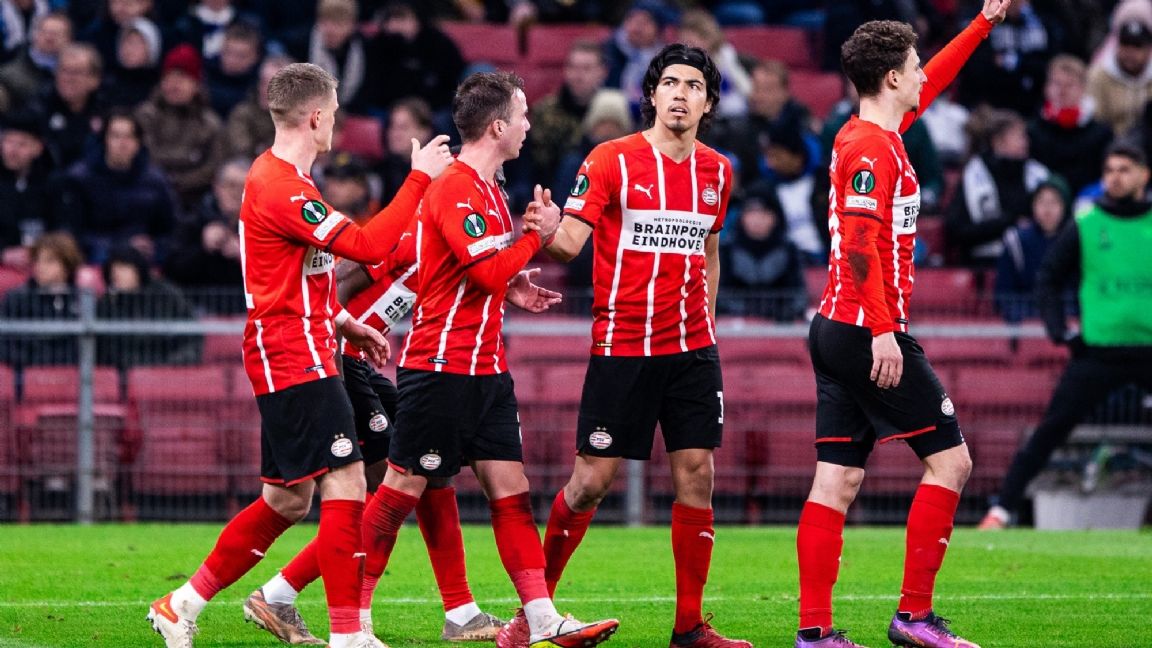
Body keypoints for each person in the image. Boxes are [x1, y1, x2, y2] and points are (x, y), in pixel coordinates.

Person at [145, 62, 455, 648]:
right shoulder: (281, 186)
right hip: (291, 351)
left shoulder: (290, 181)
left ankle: (179, 604)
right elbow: (367, 246)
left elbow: (295, 276)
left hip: (307, 342)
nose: (335, 123)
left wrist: (342, 320)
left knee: (288, 499)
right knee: (346, 483)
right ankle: (349, 635)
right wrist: (419, 179)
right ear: (315, 117)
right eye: (333, 114)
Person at [354, 70, 620, 648]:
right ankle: (353, 621)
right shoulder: (454, 186)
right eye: (522, 115)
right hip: (440, 367)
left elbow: (480, 276)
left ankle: (541, 618)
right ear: (498, 126)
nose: (528, 125)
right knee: (399, 492)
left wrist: (515, 286)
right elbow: (485, 271)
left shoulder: (492, 191)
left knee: (511, 490)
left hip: (487, 371)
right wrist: (536, 237)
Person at [517, 43, 750, 648]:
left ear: (708, 102)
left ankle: (689, 627)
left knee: (698, 476)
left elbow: (709, 250)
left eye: (693, 86)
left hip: (692, 351)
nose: (680, 94)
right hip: (623, 345)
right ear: (651, 95)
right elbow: (570, 244)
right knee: (590, 483)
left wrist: (708, 322)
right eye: (670, 83)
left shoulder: (718, 171)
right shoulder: (611, 159)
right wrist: (545, 231)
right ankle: (533, 615)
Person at [245, 211, 562, 646]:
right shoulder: (414, 234)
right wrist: (334, 379)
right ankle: (282, 592)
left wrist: (505, 287)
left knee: (432, 474)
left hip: (364, 365)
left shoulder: (453, 239)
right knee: (393, 489)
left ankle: (460, 610)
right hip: (339, 362)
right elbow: (335, 283)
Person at [796, 2, 1010, 647]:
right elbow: (861, 245)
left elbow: (935, 80)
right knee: (952, 462)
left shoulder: (870, 133)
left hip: (836, 325)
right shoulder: (872, 147)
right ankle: (914, 618)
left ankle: (815, 632)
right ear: (891, 77)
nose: (922, 75)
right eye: (913, 66)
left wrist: (981, 24)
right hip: (866, 329)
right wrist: (886, 329)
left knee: (837, 479)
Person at [979, 143, 1152, 530]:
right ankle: (1000, 511)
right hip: (1099, 351)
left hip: (1148, 350)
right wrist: (1059, 330)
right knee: (1051, 429)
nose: (1115, 177)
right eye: (1110, 170)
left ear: (1144, 175)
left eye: (1125, 169)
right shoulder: (1087, 223)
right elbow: (1048, 278)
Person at [50, 109, 177, 265]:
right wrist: (121, 246)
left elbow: (171, 229)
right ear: (104, 140)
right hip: (97, 257)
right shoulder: (79, 179)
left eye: (129, 136)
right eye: (116, 136)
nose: (123, 143)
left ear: (138, 143)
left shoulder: (155, 180)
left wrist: (154, 245)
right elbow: (72, 234)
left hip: (145, 259)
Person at [993, 177, 1072, 324]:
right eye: (1041, 202)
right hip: (1025, 322)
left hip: (1068, 319)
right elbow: (1004, 296)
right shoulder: (1015, 242)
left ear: (1065, 205)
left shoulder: (1077, 241)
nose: (1047, 210)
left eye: (1054, 202)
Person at [0, 230, 82, 368]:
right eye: (37, 260)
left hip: (72, 375)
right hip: (26, 373)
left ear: (67, 266)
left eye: (49, 261)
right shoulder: (16, 299)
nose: (40, 267)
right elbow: (5, 346)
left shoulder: (81, 300)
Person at [1087, 19, 1152, 136]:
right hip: (1109, 141)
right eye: (1125, 44)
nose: (1130, 52)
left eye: (1137, 46)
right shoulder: (1099, 75)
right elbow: (1094, 119)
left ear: (1148, 50)